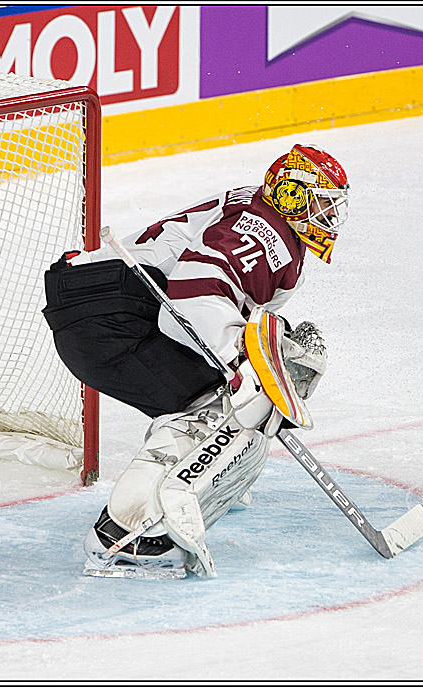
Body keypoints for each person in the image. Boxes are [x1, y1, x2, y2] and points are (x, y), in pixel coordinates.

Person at [43, 143, 349, 578]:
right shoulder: (268, 232)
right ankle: (128, 535)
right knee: (217, 404)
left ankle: (205, 481)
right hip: (111, 313)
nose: (329, 217)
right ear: (292, 195)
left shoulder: (264, 219)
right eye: (321, 202)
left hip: (99, 306)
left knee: (237, 389)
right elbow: (195, 290)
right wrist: (242, 365)